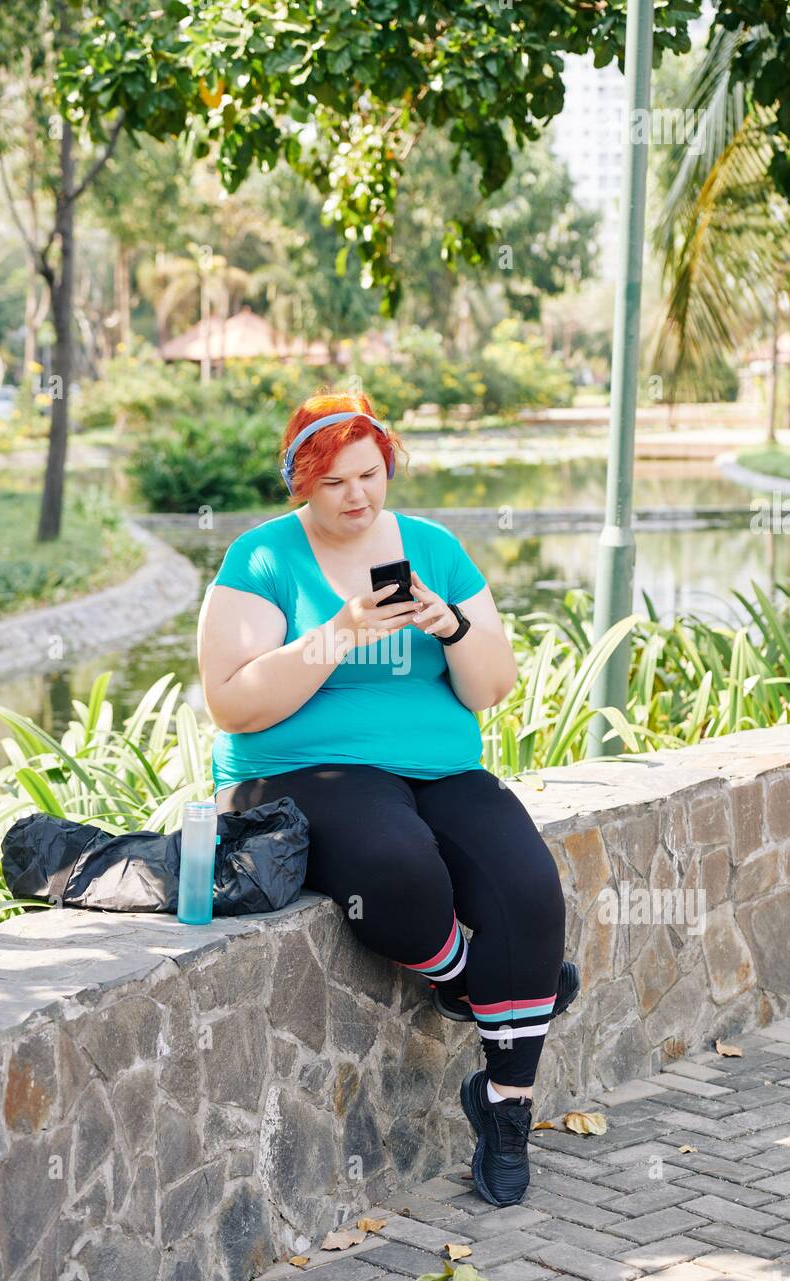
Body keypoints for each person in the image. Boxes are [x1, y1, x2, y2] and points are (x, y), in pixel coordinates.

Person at [197, 389, 578, 1207]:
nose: (357, 496)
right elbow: (232, 703)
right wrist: (339, 633)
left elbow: (491, 688)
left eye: (369, 475)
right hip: (300, 769)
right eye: (333, 482)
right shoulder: (260, 559)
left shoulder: (435, 549)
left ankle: (506, 1104)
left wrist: (449, 628)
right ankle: (475, 979)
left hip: (438, 768)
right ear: (302, 483)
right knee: (396, 865)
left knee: (527, 888)